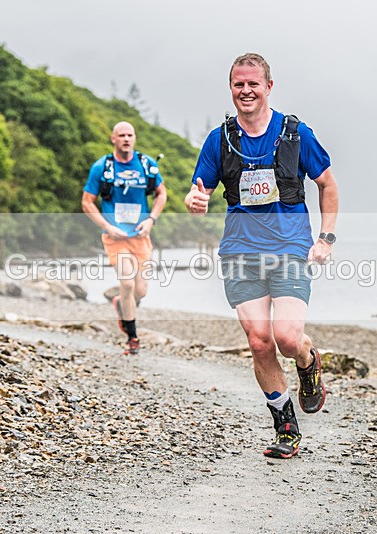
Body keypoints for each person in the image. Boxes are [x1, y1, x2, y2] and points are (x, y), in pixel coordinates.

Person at [185, 53, 339, 459]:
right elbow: (198, 189)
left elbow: (327, 185)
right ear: (231, 89)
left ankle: (307, 364)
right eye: (239, 84)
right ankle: (285, 424)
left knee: (287, 338)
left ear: (269, 87)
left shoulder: (295, 133)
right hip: (240, 251)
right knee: (258, 342)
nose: (246, 91)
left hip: (289, 249)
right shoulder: (221, 139)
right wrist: (194, 199)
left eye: (254, 83)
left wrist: (325, 239)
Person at [82, 121, 167, 355]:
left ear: (135, 138)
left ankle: (120, 303)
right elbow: (87, 202)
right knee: (127, 282)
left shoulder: (146, 164)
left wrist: (151, 220)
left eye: (130, 134)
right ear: (113, 139)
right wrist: (107, 226)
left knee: (141, 291)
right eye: (121, 135)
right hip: (115, 237)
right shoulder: (102, 167)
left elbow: (161, 194)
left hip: (140, 236)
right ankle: (133, 337)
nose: (126, 139)